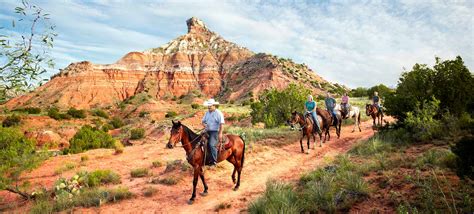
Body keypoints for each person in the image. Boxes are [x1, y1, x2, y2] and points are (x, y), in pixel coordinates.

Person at [202, 98, 225, 166]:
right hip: (207, 130)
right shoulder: (207, 113)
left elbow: (221, 124)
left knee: (211, 144)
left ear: (214, 105)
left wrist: (220, 133)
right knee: (199, 141)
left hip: (215, 131)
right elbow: (203, 122)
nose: (208, 107)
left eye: (210, 106)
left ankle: (214, 161)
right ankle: (204, 158)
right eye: (208, 106)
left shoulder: (218, 113)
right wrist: (205, 125)